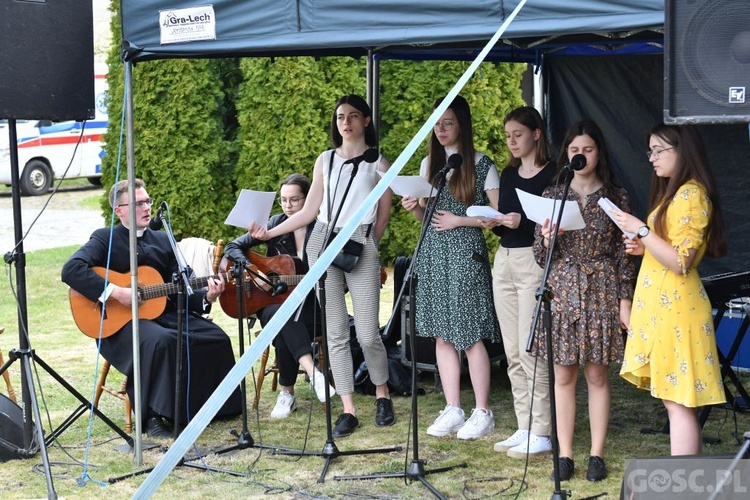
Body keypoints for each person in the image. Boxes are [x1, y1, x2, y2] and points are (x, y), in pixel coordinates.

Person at [248, 94, 394, 437]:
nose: (346, 122)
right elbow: (308, 211)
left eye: (354, 116)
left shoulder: (379, 164)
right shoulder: (325, 160)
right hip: (323, 241)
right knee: (335, 331)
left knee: (368, 332)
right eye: (341, 116)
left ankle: (382, 393)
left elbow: (384, 216)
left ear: (366, 121)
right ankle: (347, 407)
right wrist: (268, 232)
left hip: (360, 240)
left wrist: (371, 247)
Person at [62, 179, 242, 439]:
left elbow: (184, 288)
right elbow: (71, 269)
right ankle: (155, 417)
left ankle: (213, 408)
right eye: (137, 204)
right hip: (119, 325)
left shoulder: (163, 239)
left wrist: (207, 295)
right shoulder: (105, 238)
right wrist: (116, 292)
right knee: (162, 341)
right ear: (119, 210)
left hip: (165, 315)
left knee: (216, 337)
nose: (146, 207)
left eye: (147, 201)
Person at [614, 123, 727, 456]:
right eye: (650, 151)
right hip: (666, 309)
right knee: (676, 401)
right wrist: (645, 247)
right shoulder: (678, 193)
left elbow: (682, 262)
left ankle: (684, 483)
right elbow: (670, 251)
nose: (652, 158)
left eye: (659, 150)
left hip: (678, 310)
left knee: (678, 403)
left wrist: (642, 231)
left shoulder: (692, 194)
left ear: (683, 150)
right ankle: (687, 482)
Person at [532, 119, 635, 481]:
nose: (580, 155)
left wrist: (625, 300)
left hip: (601, 289)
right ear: (567, 154)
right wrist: (546, 238)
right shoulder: (552, 195)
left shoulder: (616, 196)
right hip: (562, 289)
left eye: (587, 149)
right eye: (574, 150)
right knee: (563, 375)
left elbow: (625, 255)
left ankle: (596, 454)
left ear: (598, 152)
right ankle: (564, 453)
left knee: (596, 375)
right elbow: (539, 256)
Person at [401, 95, 501, 440]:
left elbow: (497, 218)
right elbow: (427, 220)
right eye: (437, 124)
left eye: (448, 123)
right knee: (442, 334)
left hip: (465, 253)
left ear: (462, 125)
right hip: (433, 253)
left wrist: (461, 220)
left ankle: (482, 410)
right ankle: (453, 406)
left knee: (470, 333)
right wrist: (415, 206)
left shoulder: (482, 163)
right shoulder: (430, 163)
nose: (441, 130)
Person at [224, 173, 335, 418]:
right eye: (284, 200)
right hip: (272, 302)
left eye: (294, 200)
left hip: (312, 305)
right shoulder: (274, 224)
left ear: (310, 200)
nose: (287, 206)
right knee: (281, 315)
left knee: (284, 322)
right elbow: (232, 247)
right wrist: (253, 272)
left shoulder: (323, 231)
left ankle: (287, 393)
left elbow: (338, 280)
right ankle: (314, 373)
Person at [487, 106, 556, 458]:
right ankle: (524, 425)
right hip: (505, 260)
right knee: (513, 351)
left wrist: (519, 223)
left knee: (532, 350)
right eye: (508, 135)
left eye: (518, 134)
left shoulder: (555, 174)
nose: (512, 141)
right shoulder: (509, 172)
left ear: (536, 133)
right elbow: (508, 216)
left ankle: (542, 431)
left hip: (534, 260)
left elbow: (553, 226)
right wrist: (494, 220)